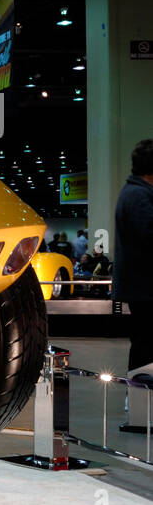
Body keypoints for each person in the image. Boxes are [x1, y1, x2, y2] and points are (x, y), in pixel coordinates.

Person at [113, 139, 153, 380]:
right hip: (144, 287)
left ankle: (140, 394)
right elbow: (149, 236)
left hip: (141, 286)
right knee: (145, 343)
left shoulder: (133, 192)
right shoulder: (138, 195)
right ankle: (140, 395)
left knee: (144, 340)